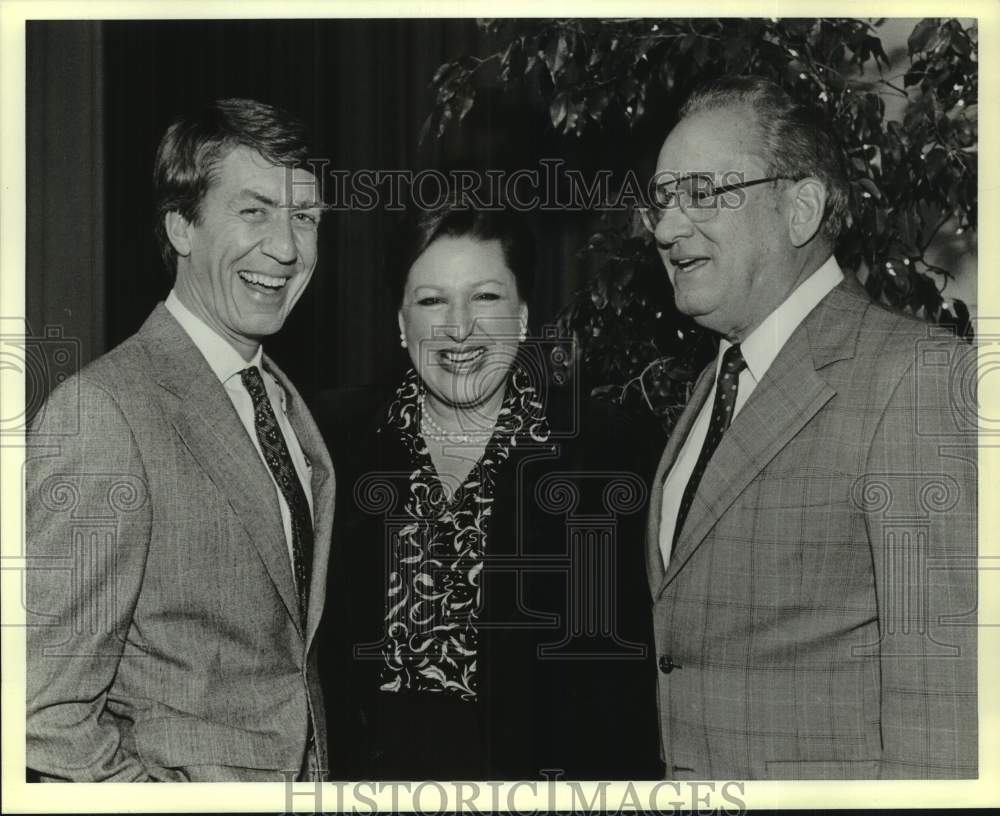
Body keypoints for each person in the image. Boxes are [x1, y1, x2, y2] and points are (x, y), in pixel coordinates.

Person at [640, 76, 977, 780]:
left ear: (800, 207)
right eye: (663, 200)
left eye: (701, 194)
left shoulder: (912, 378)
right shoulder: (716, 382)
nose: (667, 228)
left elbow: (945, 703)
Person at [25, 98, 334, 782]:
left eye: (304, 217)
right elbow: (40, 719)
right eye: (254, 211)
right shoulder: (106, 413)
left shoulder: (283, 404)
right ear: (181, 226)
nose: (286, 248)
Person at [316, 202, 664, 780]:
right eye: (432, 301)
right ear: (401, 324)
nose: (459, 327)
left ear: (523, 316)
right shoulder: (331, 442)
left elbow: (622, 686)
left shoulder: (605, 454)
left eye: (485, 297)